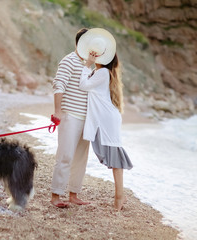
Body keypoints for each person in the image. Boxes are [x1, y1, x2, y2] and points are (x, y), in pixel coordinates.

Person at [77, 28, 133, 210]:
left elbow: (83, 86)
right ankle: (119, 196)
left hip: (106, 120)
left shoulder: (101, 73)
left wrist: (87, 65)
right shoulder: (102, 72)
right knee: (112, 157)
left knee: (115, 159)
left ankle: (119, 198)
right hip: (107, 118)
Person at [50, 28, 91, 208]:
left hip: (86, 118)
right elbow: (58, 85)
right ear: (79, 43)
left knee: (81, 158)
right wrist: (58, 111)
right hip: (70, 115)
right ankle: (55, 196)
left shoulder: (91, 65)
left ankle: (74, 194)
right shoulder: (69, 60)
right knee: (65, 156)